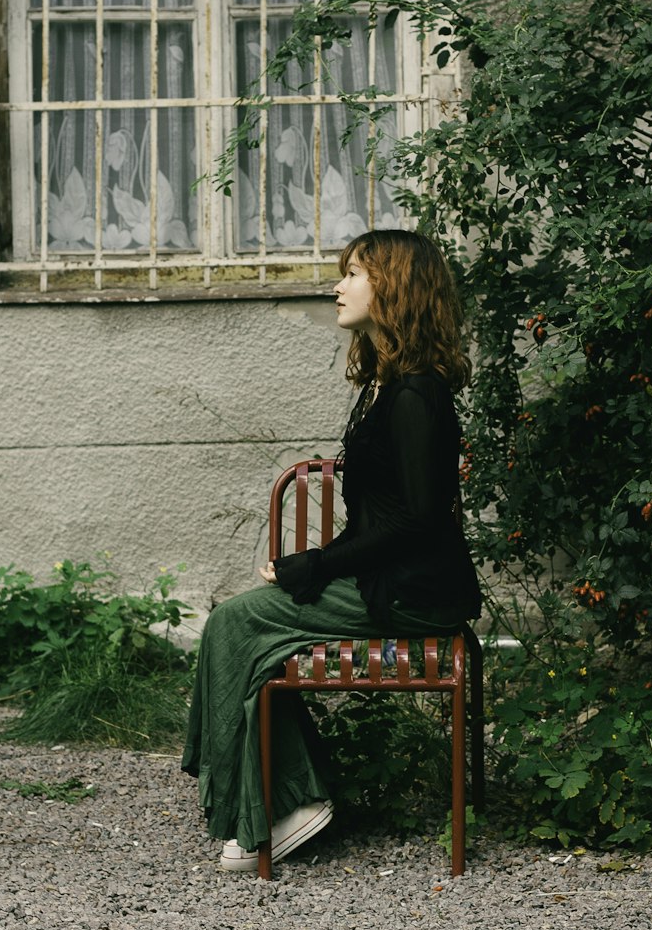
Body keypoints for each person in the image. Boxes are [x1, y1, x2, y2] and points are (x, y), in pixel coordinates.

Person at [181, 229, 481, 872]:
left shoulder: (416, 394)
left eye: (353, 273)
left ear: (393, 287)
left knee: (236, 624)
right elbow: (384, 517)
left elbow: (419, 524)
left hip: (416, 596)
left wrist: (315, 566)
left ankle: (286, 808)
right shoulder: (385, 385)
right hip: (391, 582)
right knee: (248, 627)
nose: (337, 286)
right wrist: (307, 572)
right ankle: (293, 796)